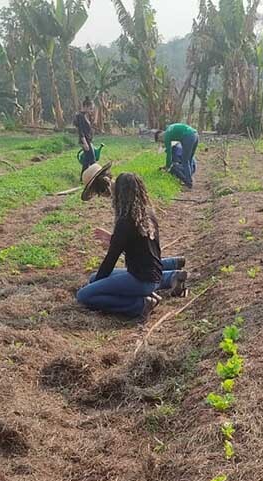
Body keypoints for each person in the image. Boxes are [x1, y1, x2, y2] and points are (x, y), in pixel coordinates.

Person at [76, 172, 189, 318]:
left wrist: (95, 286)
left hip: (141, 280)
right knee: (93, 278)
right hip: (153, 275)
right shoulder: (147, 213)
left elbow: (110, 261)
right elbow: (135, 245)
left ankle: (139, 305)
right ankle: (170, 277)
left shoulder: (125, 222)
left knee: (84, 295)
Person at [155, 123, 199, 188]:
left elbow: (169, 155)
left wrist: (167, 167)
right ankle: (190, 179)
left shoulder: (166, 136)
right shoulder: (169, 129)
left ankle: (189, 183)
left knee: (185, 161)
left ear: (160, 136)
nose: (162, 142)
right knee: (189, 159)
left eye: (160, 141)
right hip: (195, 134)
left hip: (188, 136)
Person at [75, 97, 96, 172]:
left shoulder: (87, 116)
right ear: (85, 107)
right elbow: (81, 131)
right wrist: (85, 143)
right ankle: (96, 176)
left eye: (92, 108)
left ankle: (83, 178)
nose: (92, 110)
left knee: (86, 161)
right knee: (92, 160)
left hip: (88, 140)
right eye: (90, 108)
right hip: (85, 141)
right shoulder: (80, 116)